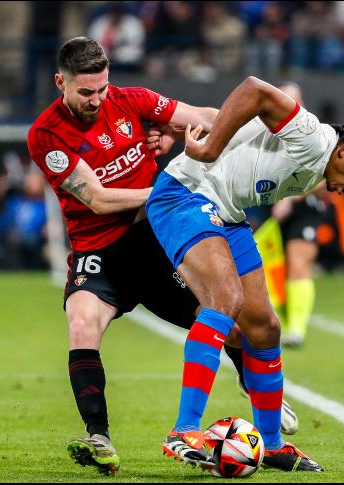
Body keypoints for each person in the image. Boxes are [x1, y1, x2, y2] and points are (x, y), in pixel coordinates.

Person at [26, 37, 297, 476]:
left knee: (228, 324)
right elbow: (97, 199)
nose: (97, 100)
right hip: (99, 249)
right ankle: (99, 436)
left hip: (153, 241)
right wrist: (170, 191)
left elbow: (208, 117)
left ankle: (251, 380)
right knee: (81, 324)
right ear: (61, 83)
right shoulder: (46, 134)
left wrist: (243, 136)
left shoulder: (131, 100)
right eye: (86, 92)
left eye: (102, 88)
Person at [146, 75, 344, 472]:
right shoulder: (315, 139)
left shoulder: (323, 167)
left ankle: (273, 445)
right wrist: (209, 148)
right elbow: (254, 90)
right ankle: (184, 429)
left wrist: (198, 128)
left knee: (264, 328)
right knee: (225, 301)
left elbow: (247, 128)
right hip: (185, 194)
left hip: (227, 213)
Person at [255, 81, 329, 349]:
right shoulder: (264, 134)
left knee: (298, 264)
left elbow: (326, 176)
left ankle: (297, 329)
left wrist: (292, 197)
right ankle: (285, 326)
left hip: (304, 211)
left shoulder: (315, 133)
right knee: (274, 272)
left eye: (293, 99)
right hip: (272, 212)